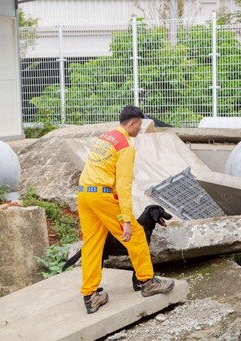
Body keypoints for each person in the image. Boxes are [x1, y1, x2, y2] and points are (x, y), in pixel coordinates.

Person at [78, 105, 175, 314]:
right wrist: (127, 220)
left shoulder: (105, 137)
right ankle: (147, 283)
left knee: (92, 243)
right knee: (137, 236)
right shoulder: (125, 145)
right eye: (139, 125)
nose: (140, 129)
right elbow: (123, 185)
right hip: (103, 196)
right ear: (131, 123)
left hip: (85, 194)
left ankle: (90, 294)